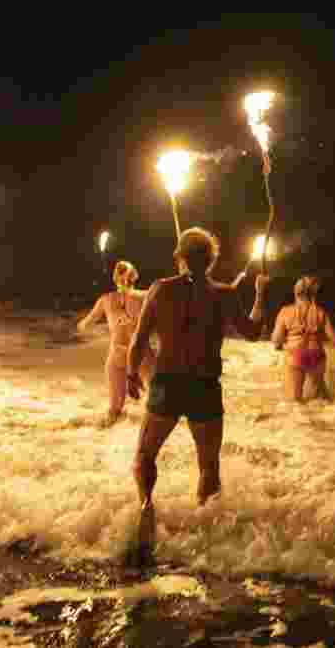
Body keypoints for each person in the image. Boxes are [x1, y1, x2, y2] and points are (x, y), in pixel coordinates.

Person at [126, 227, 269, 561]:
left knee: (145, 455)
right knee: (208, 466)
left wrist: (132, 373)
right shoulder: (224, 293)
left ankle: (146, 505)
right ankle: (206, 539)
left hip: (168, 384)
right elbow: (252, 332)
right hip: (204, 386)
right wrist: (261, 295)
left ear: (179, 257)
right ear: (212, 260)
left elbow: (138, 339)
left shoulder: (160, 290)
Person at [78, 260, 155, 426]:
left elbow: (84, 325)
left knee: (114, 410)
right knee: (156, 407)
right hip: (141, 355)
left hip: (117, 355)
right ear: (134, 277)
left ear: (115, 278)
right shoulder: (146, 297)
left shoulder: (105, 300)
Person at [272, 275, 335, 402]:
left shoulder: (285, 311)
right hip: (317, 355)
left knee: (296, 398)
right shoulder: (320, 312)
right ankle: (333, 413)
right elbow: (333, 336)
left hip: (296, 354)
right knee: (321, 395)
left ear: (295, 292)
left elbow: (276, 338)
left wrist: (278, 344)